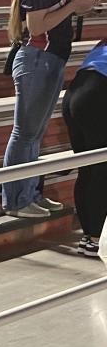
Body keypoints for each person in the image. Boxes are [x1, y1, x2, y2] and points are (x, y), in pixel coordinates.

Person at [1, 0, 105, 220]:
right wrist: (74, 6)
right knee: (25, 133)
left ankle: (29, 192)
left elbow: (51, 18)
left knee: (34, 133)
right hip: (37, 58)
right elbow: (36, 27)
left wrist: (83, 7)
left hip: (48, 59)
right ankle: (16, 199)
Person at [62, 39, 107, 256]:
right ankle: (96, 238)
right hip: (97, 94)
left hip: (74, 94)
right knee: (101, 170)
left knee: (87, 169)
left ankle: (89, 236)